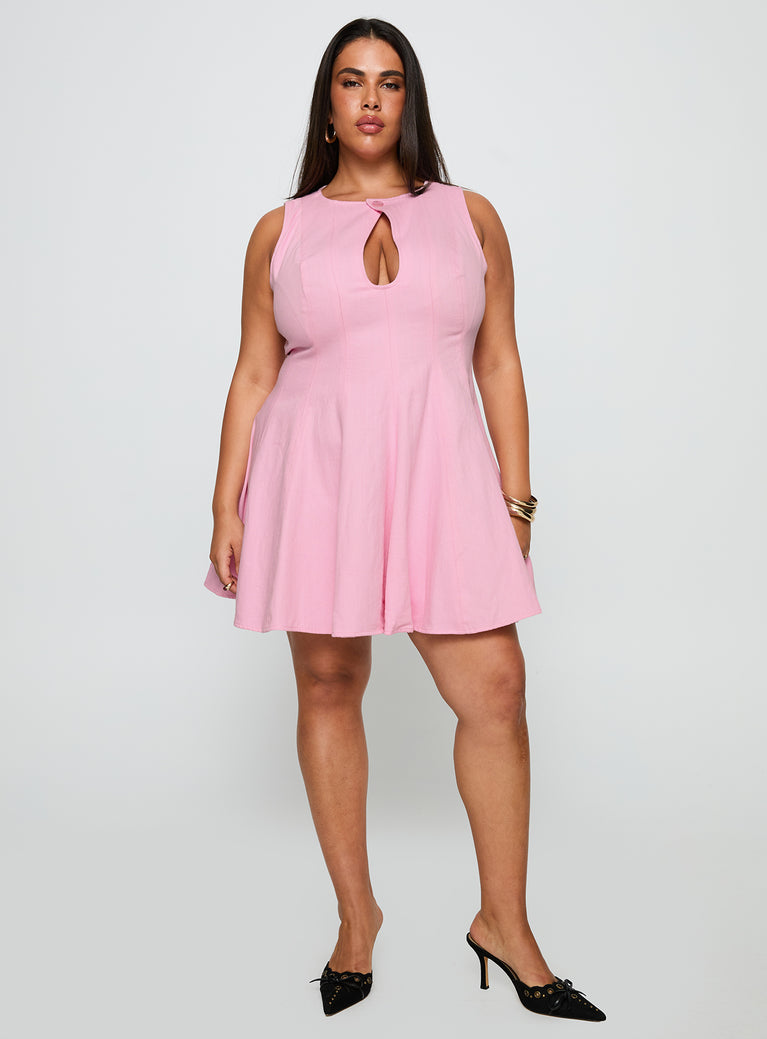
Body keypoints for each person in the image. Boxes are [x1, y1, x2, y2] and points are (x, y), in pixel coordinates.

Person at [204, 17, 606, 1023]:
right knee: (328, 681)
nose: (371, 99)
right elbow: (253, 370)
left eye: (388, 82)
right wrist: (224, 501)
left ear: (409, 102)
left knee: (496, 689)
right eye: (351, 82)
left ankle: (503, 922)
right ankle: (356, 920)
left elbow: (497, 358)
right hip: (314, 472)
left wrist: (515, 498)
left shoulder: (470, 217)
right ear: (327, 108)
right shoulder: (280, 230)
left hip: (442, 473)